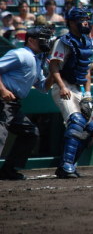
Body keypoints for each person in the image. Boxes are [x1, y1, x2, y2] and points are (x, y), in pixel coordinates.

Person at [0, 27, 54, 180]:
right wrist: (2, 90)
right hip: (3, 100)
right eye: (43, 38)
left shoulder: (37, 60)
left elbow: (43, 87)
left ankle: (8, 170)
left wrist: (52, 72)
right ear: (31, 40)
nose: (47, 42)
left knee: (30, 133)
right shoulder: (19, 54)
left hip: (13, 104)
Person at [49, 7, 93, 179]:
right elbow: (53, 65)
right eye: (81, 19)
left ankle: (67, 164)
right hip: (64, 86)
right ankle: (67, 166)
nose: (85, 22)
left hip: (79, 88)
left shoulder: (86, 40)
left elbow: (86, 70)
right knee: (76, 121)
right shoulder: (64, 41)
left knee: (90, 128)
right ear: (71, 22)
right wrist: (61, 86)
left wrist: (88, 93)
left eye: (86, 18)